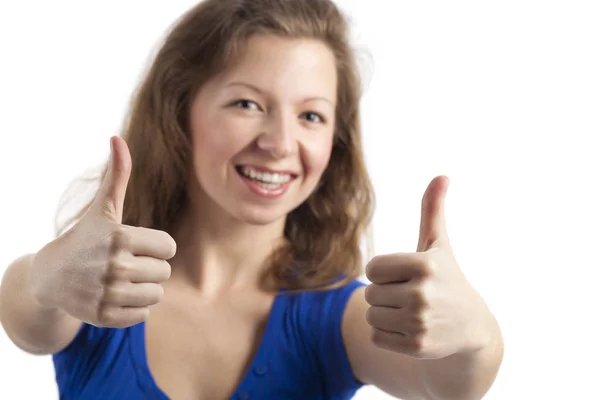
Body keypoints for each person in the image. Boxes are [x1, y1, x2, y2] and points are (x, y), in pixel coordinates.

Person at [0, 0, 504, 399]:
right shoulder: (99, 286)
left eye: (311, 116)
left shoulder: (336, 318)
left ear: (335, 141)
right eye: (247, 104)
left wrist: (476, 336)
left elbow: (447, 385)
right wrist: (49, 273)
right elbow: (25, 316)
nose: (281, 143)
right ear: (180, 113)